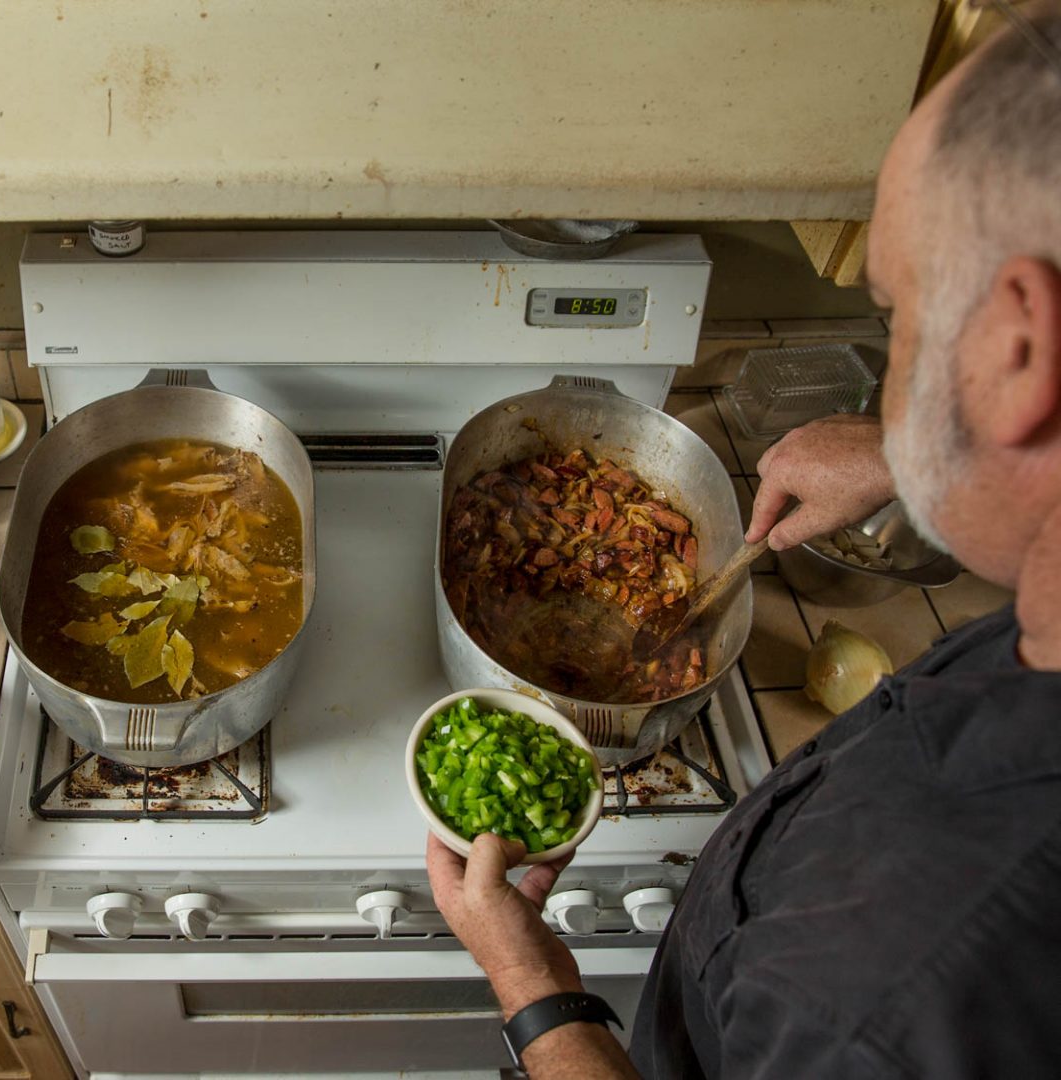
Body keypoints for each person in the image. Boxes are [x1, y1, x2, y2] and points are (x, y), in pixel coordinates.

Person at [428, 8, 1061, 1077]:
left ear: (1017, 351)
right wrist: (923, 452)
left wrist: (532, 981)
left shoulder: (886, 982)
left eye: (897, 317)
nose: (894, 361)